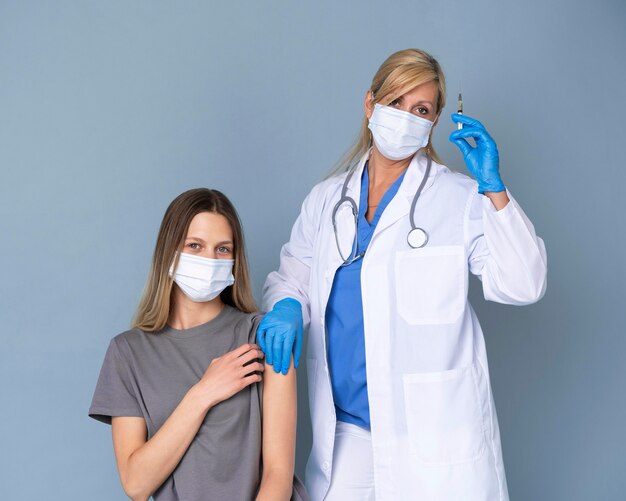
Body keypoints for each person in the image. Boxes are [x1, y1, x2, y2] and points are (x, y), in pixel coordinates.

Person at [258, 49, 547, 500]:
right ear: (370, 104)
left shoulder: (458, 197)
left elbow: (522, 284)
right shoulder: (326, 200)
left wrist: (494, 188)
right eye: (396, 102)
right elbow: (291, 275)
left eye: (423, 110)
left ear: (434, 123)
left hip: (434, 440)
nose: (407, 118)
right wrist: (289, 306)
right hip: (347, 433)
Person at [89, 188, 304, 501]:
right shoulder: (128, 353)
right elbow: (136, 483)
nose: (209, 259)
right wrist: (202, 394)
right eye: (195, 246)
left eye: (222, 249)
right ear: (169, 252)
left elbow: (278, 475)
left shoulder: (263, 336)